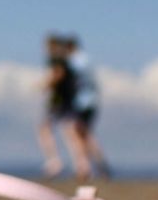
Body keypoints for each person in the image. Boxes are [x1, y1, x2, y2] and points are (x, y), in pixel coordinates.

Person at [36, 35, 86, 179]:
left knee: (45, 128)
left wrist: (46, 85)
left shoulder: (56, 60)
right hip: (69, 101)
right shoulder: (68, 61)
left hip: (58, 102)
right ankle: (82, 165)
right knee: (71, 133)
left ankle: (54, 162)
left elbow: (58, 74)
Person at [62, 35, 111, 179]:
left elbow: (70, 79)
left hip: (81, 102)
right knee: (85, 134)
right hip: (92, 101)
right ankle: (98, 164)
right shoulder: (87, 59)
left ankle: (85, 167)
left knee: (78, 134)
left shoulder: (75, 61)